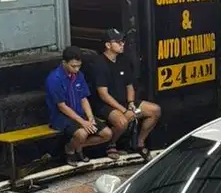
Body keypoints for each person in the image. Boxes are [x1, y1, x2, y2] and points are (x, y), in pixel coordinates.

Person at [86, 28, 161, 163]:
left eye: (123, 41)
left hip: (124, 101)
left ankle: (139, 143)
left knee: (155, 110)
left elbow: (129, 85)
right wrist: (124, 110)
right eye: (118, 42)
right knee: (122, 121)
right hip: (105, 105)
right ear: (108, 45)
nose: (122, 44)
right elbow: (103, 95)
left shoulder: (123, 60)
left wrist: (131, 103)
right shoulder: (99, 64)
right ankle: (111, 144)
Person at [45, 46, 113, 165]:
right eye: (73, 66)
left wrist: (90, 117)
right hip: (61, 117)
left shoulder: (79, 75)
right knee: (82, 133)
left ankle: (79, 146)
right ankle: (70, 150)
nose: (76, 69)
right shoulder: (54, 79)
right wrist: (83, 122)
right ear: (64, 63)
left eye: (79, 66)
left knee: (107, 134)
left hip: (79, 113)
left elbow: (84, 98)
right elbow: (62, 106)